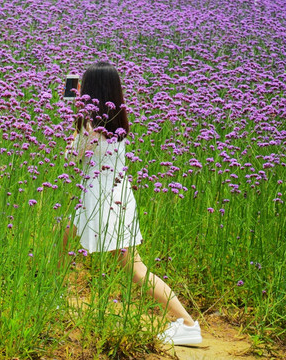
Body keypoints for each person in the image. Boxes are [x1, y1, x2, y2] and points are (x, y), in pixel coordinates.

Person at [63, 61, 202, 346]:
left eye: (82, 88)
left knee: (134, 267)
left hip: (103, 202)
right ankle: (51, 296)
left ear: (89, 91)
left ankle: (187, 325)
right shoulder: (117, 123)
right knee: (63, 239)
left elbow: (70, 158)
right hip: (113, 197)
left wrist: (72, 117)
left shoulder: (88, 125)